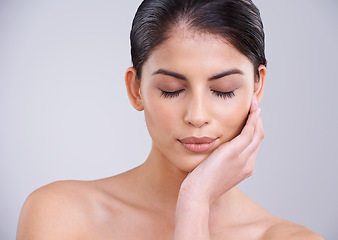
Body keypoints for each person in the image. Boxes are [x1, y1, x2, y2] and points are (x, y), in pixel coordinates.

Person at [16, 0, 323, 239]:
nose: (197, 116)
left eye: (223, 90)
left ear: (258, 86)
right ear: (136, 89)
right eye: (172, 90)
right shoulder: (59, 214)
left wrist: (195, 202)